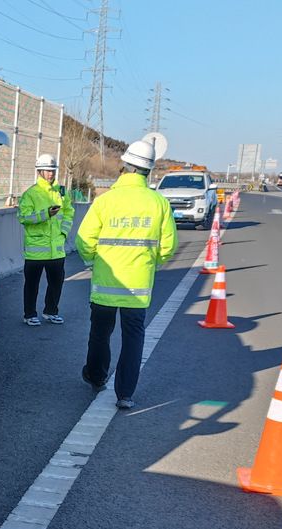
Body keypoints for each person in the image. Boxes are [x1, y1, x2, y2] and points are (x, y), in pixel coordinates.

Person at [75, 139, 177, 409]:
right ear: (148, 171)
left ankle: (96, 376)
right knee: (133, 339)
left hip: (105, 285)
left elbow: (84, 240)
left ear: (125, 166)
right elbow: (168, 246)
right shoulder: (159, 203)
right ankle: (125, 394)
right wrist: (151, 263)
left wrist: (92, 262)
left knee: (100, 333)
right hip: (137, 289)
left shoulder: (105, 201)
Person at [18, 153, 74, 327]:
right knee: (32, 285)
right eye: (47, 170)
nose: (51, 174)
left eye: (52, 170)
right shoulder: (31, 194)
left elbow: (69, 213)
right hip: (36, 249)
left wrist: (63, 233)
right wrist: (45, 214)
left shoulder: (61, 192)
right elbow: (23, 217)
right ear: (39, 171)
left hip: (56, 249)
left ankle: (51, 311)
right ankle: (29, 314)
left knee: (56, 283)